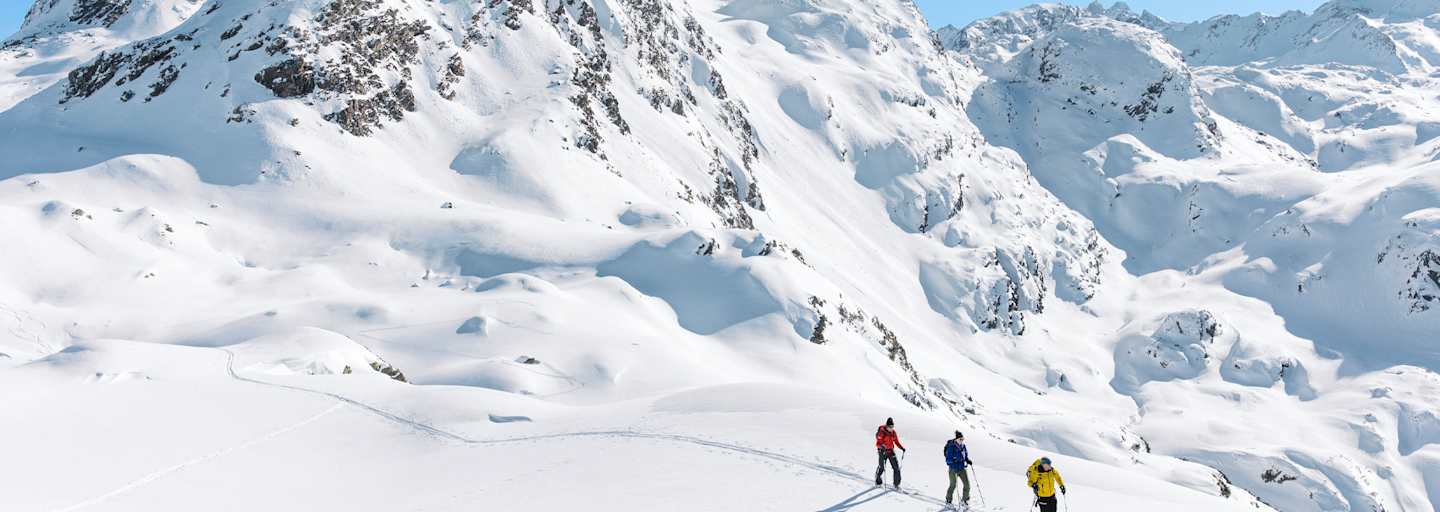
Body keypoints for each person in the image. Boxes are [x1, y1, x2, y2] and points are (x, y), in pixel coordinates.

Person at [944, 431, 973, 506]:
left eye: (963, 439)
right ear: (956, 439)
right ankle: (948, 499)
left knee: (967, 485)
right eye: (960, 439)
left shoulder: (963, 446)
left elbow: (965, 455)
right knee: (953, 485)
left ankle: (965, 500)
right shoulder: (951, 446)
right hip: (953, 469)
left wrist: (967, 460)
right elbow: (947, 460)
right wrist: (953, 460)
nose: (962, 440)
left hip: (962, 468)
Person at [874, 417, 905, 487]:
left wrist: (901, 448)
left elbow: (896, 442)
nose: (891, 428)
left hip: (891, 451)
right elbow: (878, 443)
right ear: (886, 426)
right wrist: (882, 446)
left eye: (892, 426)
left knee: (896, 468)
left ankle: (896, 484)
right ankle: (878, 482)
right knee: (881, 467)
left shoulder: (893, 433)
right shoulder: (882, 432)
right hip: (882, 451)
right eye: (890, 427)